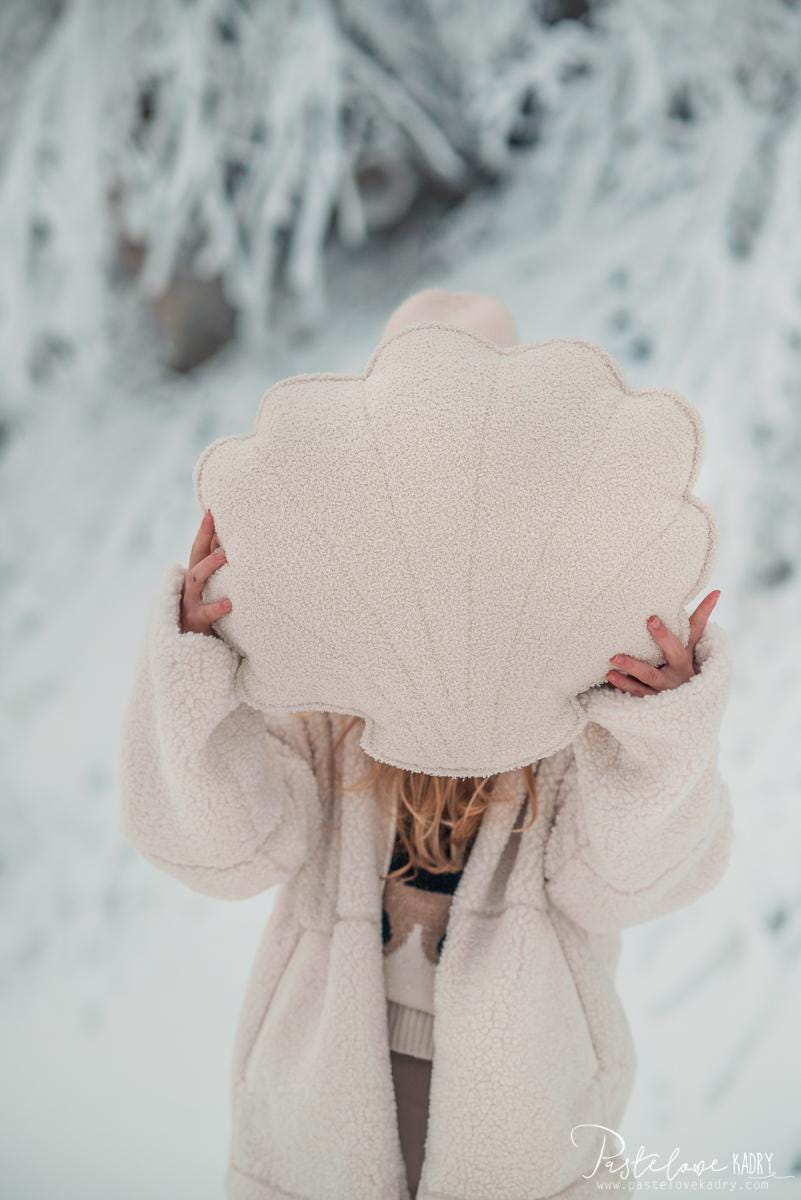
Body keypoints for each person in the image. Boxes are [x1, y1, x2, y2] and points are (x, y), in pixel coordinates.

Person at [119, 289, 733, 1200]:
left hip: (530, 1117)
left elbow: (620, 885)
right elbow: (226, 852)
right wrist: (197, 669)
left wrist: (659, 729)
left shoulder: (579, 664)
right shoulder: (314, 661)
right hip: (320, 1108)